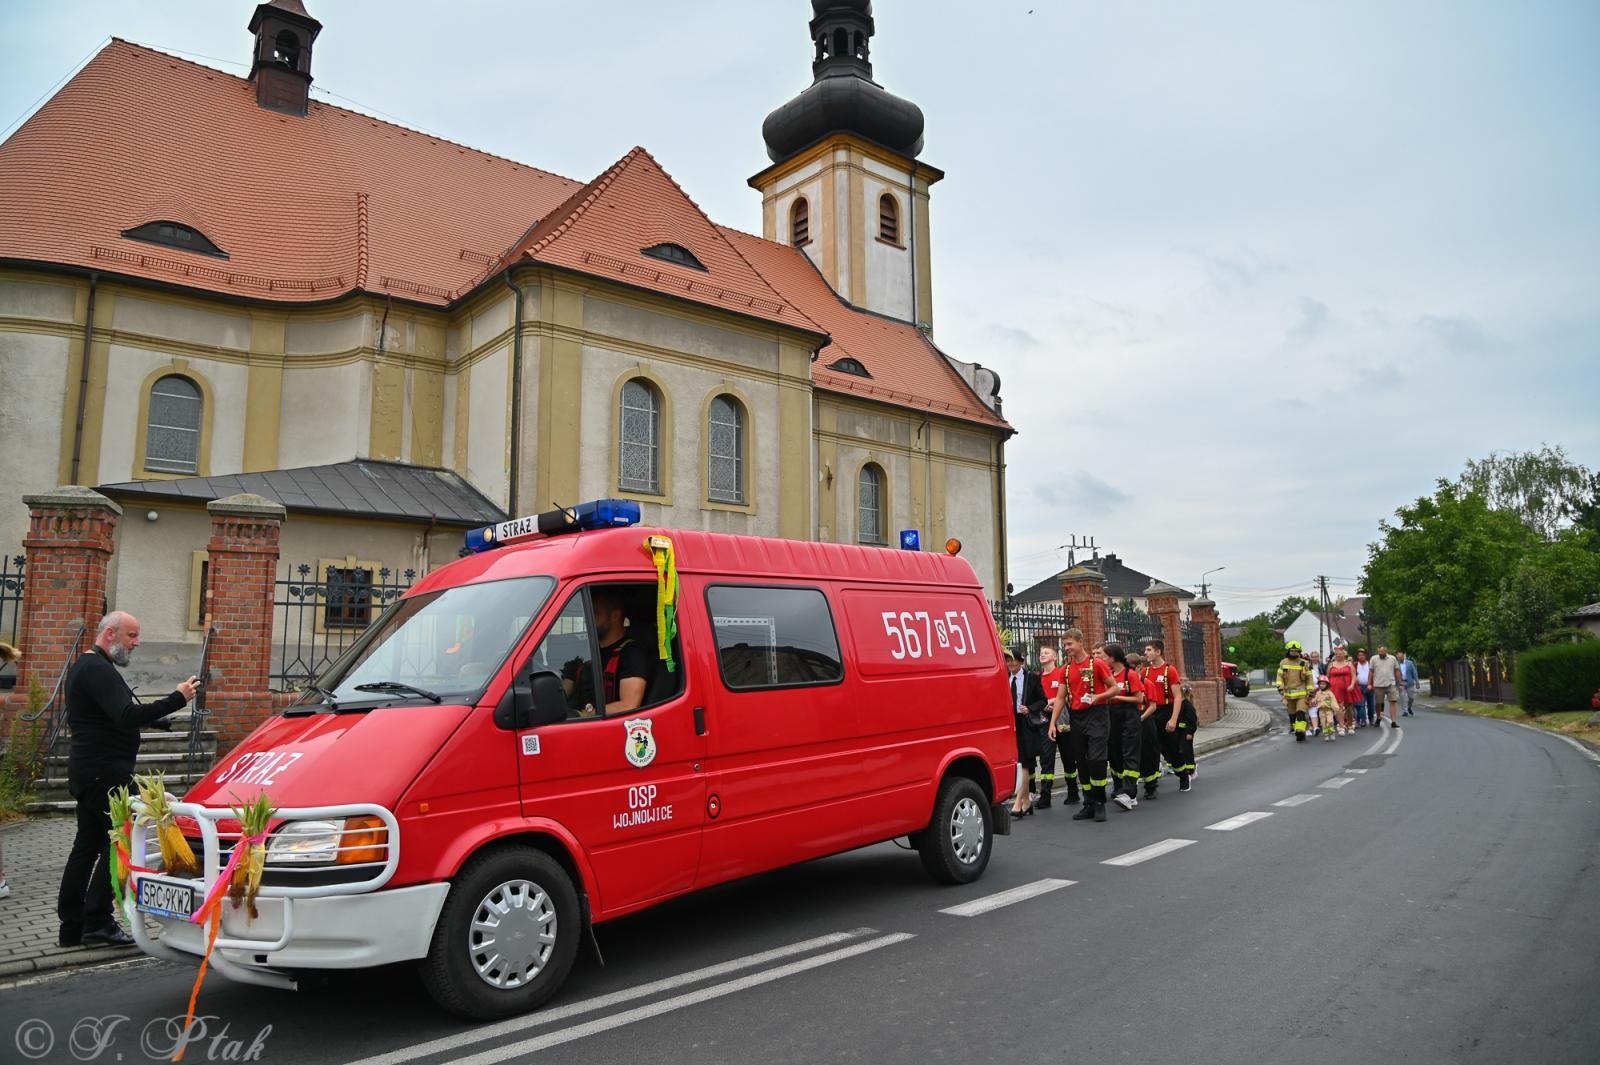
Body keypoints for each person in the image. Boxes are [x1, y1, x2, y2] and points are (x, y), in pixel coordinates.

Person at [57, 612, 198, 949]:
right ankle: (97, 922)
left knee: (87, 846)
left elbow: (113, 713)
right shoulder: (96, 669)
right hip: (105, 775)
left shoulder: (91, 667)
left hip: (90, 771)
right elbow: (123, 715)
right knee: (118, 845)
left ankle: (72, 927)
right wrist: (177, 698)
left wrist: (159, 721)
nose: (136, 644)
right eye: (131, 636)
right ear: (110, 633)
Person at [1048, 627, 1117, 821]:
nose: (1067, 648)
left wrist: (1098, 697)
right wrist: (1052, 724)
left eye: (1070, 644)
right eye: (1065, 645)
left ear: (1080, 642)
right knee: (1082, 762)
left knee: (1096, 758)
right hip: (1076, 717)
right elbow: (1060, 697)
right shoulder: (1066, 669)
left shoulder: (1098, 664)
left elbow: (1115, 688)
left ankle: (1100, 801)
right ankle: (1088, 803)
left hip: (1097, 714)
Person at [569, 588, 654, 716]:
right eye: (587, 614)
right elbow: (566, 684)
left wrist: (585, 714)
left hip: (602, 726)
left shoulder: (632, 653)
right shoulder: (588, 651)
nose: (588, 619)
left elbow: (629, 705)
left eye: (595, 614)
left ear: (615, 616)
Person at [1005, 647, 1047, 816]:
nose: (1011, 663)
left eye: (1014, 660)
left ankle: (1017, 803)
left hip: (1026, 724)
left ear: (1021, 662)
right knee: (1022, 762)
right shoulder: (1004, 678)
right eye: (1008, 661)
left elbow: (1043, 700)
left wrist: (1029, 708)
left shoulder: (1032, 678)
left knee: (1024, 761)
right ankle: (1027, 802)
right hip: (1012, 724)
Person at [1102, 643, 1144, 810]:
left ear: (1113, 658)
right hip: (1113, 716)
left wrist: (1118, 697)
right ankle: (1122, 788)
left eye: (1105, 657)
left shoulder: (1130, 674)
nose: (1102, 660)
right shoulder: (1110, 675)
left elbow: (1139, 699)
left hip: (1129, 717)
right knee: (1116, 753)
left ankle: (1130, 794)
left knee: (1130, 754)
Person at [1140, 639, 1180, 798]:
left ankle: (1184, 775)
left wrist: (1173, 719)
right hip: (1151, 712)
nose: (1146, 653)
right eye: (1145, 650)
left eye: (1149, 650)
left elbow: (1177, 697)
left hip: (1166, 710)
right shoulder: (1145, 672)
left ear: (1158, 652)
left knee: (1170, 748)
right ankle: (1152, 783)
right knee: (1151, 747)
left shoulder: (1169, 670)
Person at [1033, 645, 1071, 809]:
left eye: (1046, 653)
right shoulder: (1037, 677)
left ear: (1055, 657)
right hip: (1045, 719)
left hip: (1062, 718)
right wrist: (1044, 704)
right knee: (1046, 758)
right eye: (1041, 653)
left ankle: (1073, 791)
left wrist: (1055, 701)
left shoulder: (1062, 673)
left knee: (1067, 755)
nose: (1042, 655)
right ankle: (1045, 795)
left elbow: (1069, 693)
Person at [1275, 641, 1315, 742]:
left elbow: (1309, 678)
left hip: (1302, 695)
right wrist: (1280, 687)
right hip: (1288, 695)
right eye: (1292, 651)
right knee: (1292, 715)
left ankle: (1300, 732)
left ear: (1299, 652)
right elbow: (1279, 677)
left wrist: (1310, 691)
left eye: (1296, 651)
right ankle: (1297, 728)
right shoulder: (1283, 663)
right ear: (1288, 651)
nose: (1294, 652)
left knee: (1300, 712)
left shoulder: (1304, 663)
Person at [1326, 645, 1360, 735]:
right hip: (1335, 688)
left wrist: (1352, 685)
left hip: (1348, 687)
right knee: (1339, 707)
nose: (1338, 656)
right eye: (1337, 654)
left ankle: (1350, 725)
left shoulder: (1349, 664)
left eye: (1340, 654)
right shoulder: (1331, 664)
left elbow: (1354, 676)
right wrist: (1327, 689)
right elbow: (1328, 677)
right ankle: (1341, 727)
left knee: (1348, 707)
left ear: (1344, 655)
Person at [1370, 645, 1400, 728]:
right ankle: (1379, 718)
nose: (1380, 653)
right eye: (1379, 652)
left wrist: (1400, 682)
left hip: (1390, 683)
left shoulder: (1392, 658)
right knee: (1378, 703)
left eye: (1382, 652)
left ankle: (1393, 721)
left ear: (1386, 651)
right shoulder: (1373, 659)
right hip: (1378, 684)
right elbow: (1371, 672)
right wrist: (1369, 683)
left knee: (1393, 702)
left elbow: (1397, 670)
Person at [1311, 677, 1341, 741]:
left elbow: (1333, 700)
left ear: (1327, 685)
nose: (1322, 685)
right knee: (1323, 723)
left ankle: (1332, 733)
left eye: (1323, 684)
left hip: (1329, 710)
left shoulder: (1330, 693)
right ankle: (1326, 735)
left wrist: (1336, 708)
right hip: (1321, 710)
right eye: (1320, 684)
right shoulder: (1318, 693)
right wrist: (1312, 701)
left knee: (1330, 721)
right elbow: (1315, 699)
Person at [1354, 649, 1373, 727]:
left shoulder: (1370, 664)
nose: (1361, 657)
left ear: (1366, 656)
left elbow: (1374, 675)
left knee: (1371, 704)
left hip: (1370, 686)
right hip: (1359, 687)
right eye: (1359, 655)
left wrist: (1371, 684)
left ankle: (1371, 719)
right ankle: (1363, 720)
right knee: (1361, 705)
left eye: (1362, 655)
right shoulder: (1355, 664)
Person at [1397, 650, 1419, 716]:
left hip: (1409, 682)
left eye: (1400, 657)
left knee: (1411, 697)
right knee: (1402, 697)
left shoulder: (1410, 663)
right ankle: (1405, 711)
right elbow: (1394, 675)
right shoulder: (1396, 664)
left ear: (1403, 656)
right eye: (1398, 657)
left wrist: (1417, 682)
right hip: (1401, 683)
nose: (1399, 658)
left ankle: (1409, 707)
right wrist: (1396, 685)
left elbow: (1414, 673)